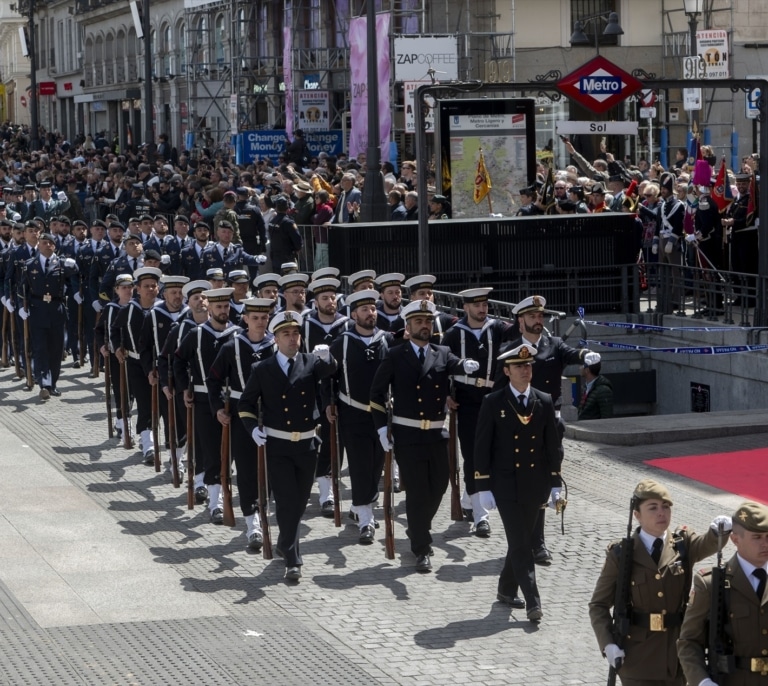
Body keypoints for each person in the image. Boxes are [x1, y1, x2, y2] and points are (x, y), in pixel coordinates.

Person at [370, 299, 478, 572]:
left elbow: (455, 363)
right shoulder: (396, 354)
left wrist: (466, 364)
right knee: (418, 491)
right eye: (419, 322)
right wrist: (382, 427)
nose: (424, 326)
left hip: (436, 434)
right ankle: (422, 546)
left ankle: (418, 527)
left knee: (440, 485)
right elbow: (376, 394)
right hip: (407, 434)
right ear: (408, 327)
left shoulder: (441, 352)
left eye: (428, 322)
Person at [590, 479, 729, 685]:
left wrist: (718, 533)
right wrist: (607, 643)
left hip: (676, 656)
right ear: (637, 515)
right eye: (653, 508)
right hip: (637, 658)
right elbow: (598, 605)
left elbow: (705, 544)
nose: (661, 513)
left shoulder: (683, 544)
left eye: (665, 507)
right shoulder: (621, 554)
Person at [496, 294, 599, 566]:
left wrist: (585, 355)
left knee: (543, 482)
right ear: (521, 321)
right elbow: (497, 391)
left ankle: (538, 543)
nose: (538, 321)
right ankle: (520, 540)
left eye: (541, 316)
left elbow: (570, 354)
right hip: (520, 425)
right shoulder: (510, 350)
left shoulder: (553, 344)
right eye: (532, 317)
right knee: (521, 486)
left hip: (550, 426)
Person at [237, 311, 338, 581]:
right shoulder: (263, 368)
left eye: (296, 333)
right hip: (278, 445)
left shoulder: (310, 361)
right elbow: (245, 405)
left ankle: (284, 542)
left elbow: (330, 371)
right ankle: (293, 559)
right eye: (286, 334)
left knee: (301, 501)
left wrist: (328, 357)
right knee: (285, 501)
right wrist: (252, 429)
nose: (293, 339)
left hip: (306, 443)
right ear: (276, 338)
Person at [473, 342, 560, 622]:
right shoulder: (493, 402)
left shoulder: (543, 400)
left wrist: (556, 481)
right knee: (522, 543)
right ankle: (534, 601)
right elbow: (482, 446)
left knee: (521, 538)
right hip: (505, 485)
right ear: (507, 371)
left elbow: (552, 446)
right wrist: (482, 484)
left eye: (528, 365)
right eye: (519, 366)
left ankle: (505, 588)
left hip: (535, 484)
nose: (526, 370)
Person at [442, 287, 513, 537]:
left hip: (492, 398)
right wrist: (446, 395)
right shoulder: (453, 334)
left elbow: (517, 331)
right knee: (472, 455)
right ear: (466, 308)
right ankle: (481, 515)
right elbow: (441, 364)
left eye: (485, 304)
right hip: (467, 401)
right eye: (477, 305)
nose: (482, 309)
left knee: (492, 453)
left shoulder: (495, 328)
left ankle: (469, 499)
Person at [206, 297, 275, 551]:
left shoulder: (275, 345)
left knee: (269, 468)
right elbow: (213, 380)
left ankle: (264, 509)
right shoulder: (231, 347)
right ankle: (252, 521)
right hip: (241, 416)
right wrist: (217, 409)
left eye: (264, 318)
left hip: (273, 415)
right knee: (246, 468)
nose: (260, 322)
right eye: (254, 318)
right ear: (245, 319)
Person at [324, 289, 392, 544]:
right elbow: (328, 376)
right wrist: (327, 403)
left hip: (381, 413)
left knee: (376, 464)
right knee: (360, 464)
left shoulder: (386, 340)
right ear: (354, 314)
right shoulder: (341, 342)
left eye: (373, 309)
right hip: (352, 412)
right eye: (364, 310)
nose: (370, 313)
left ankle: (359, 507)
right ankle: (366, 519)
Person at [678, 501, 768, 686]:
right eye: (757, 537)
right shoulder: (712, 585)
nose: (765, 544)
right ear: (735, 539)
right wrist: (702, 681)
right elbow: (688, 642)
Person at [173, 287, 239, 524]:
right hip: (203, 401)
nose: (223, 311)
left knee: (231, 453)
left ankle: (224, 493)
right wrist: (184, 389)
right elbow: (178, 361)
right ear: (209, 308)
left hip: (234, 400)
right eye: (218, 307)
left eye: (226, 306)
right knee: (212, 452)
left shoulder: (238, 334)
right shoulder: (197, 334)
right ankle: (215, 503)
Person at [112, 266, 162, 464]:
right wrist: (117, 347)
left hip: (160, 365)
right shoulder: (129, 310)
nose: (150, 289)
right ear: (138, 289)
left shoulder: (162, 310)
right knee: (144, 403)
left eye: (154, 286)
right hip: (136, 363)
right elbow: (115, 330)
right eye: (146, 286)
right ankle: (148, 445)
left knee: (161, 406)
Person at [20, 232, 79, 399]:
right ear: (38, 245)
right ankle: (44, 383)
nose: (46, 245)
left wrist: (73, 265)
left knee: (55, 349)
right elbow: (21, 289)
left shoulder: (61, 264)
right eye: (43, 242)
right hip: (37, 310)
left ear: (54, 246)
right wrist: (20, 307)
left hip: (56, 310)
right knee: (40, 349)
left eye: (49, 243)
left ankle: (52, 383)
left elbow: (76, 273)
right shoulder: (29, 265)